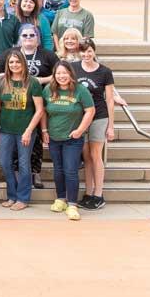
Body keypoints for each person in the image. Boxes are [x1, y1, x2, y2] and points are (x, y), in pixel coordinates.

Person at [0, 48, 46, 211]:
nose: (14, 65)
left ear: (23, 63)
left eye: (17, 61)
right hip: (6, 130)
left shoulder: (33, 82)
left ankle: (23, 198)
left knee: (24, 164)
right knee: (4, 162)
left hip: (25, 130)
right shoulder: (1, 82)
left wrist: (29, 130)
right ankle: (12, 195)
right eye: (11, 62)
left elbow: (39, 110)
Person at [44, 62, 95, 221]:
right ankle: (61, 199)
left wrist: (80, 130)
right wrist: (44, 131)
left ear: (70, 74)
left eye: (64, 73)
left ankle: (72, 204)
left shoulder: (80, 90)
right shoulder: (49, 90)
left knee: (71, 170)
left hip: (72, 139)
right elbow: (44, 112)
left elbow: (90, 110)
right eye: (58, 73)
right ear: (54, 75)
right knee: (58, 169)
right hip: (54, 137)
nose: (61, 76)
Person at [72, 38, 118, 210]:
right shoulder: (74, 68)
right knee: (87, 157)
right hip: (80, 116)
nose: (86, 54)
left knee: (96, 154)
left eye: (89, 51)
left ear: (94, 51)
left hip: (99, 116)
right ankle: (88, 192)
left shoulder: (105, 72)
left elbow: (110, 99)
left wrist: (111, 126)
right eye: (83, 51)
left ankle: (98, 194)